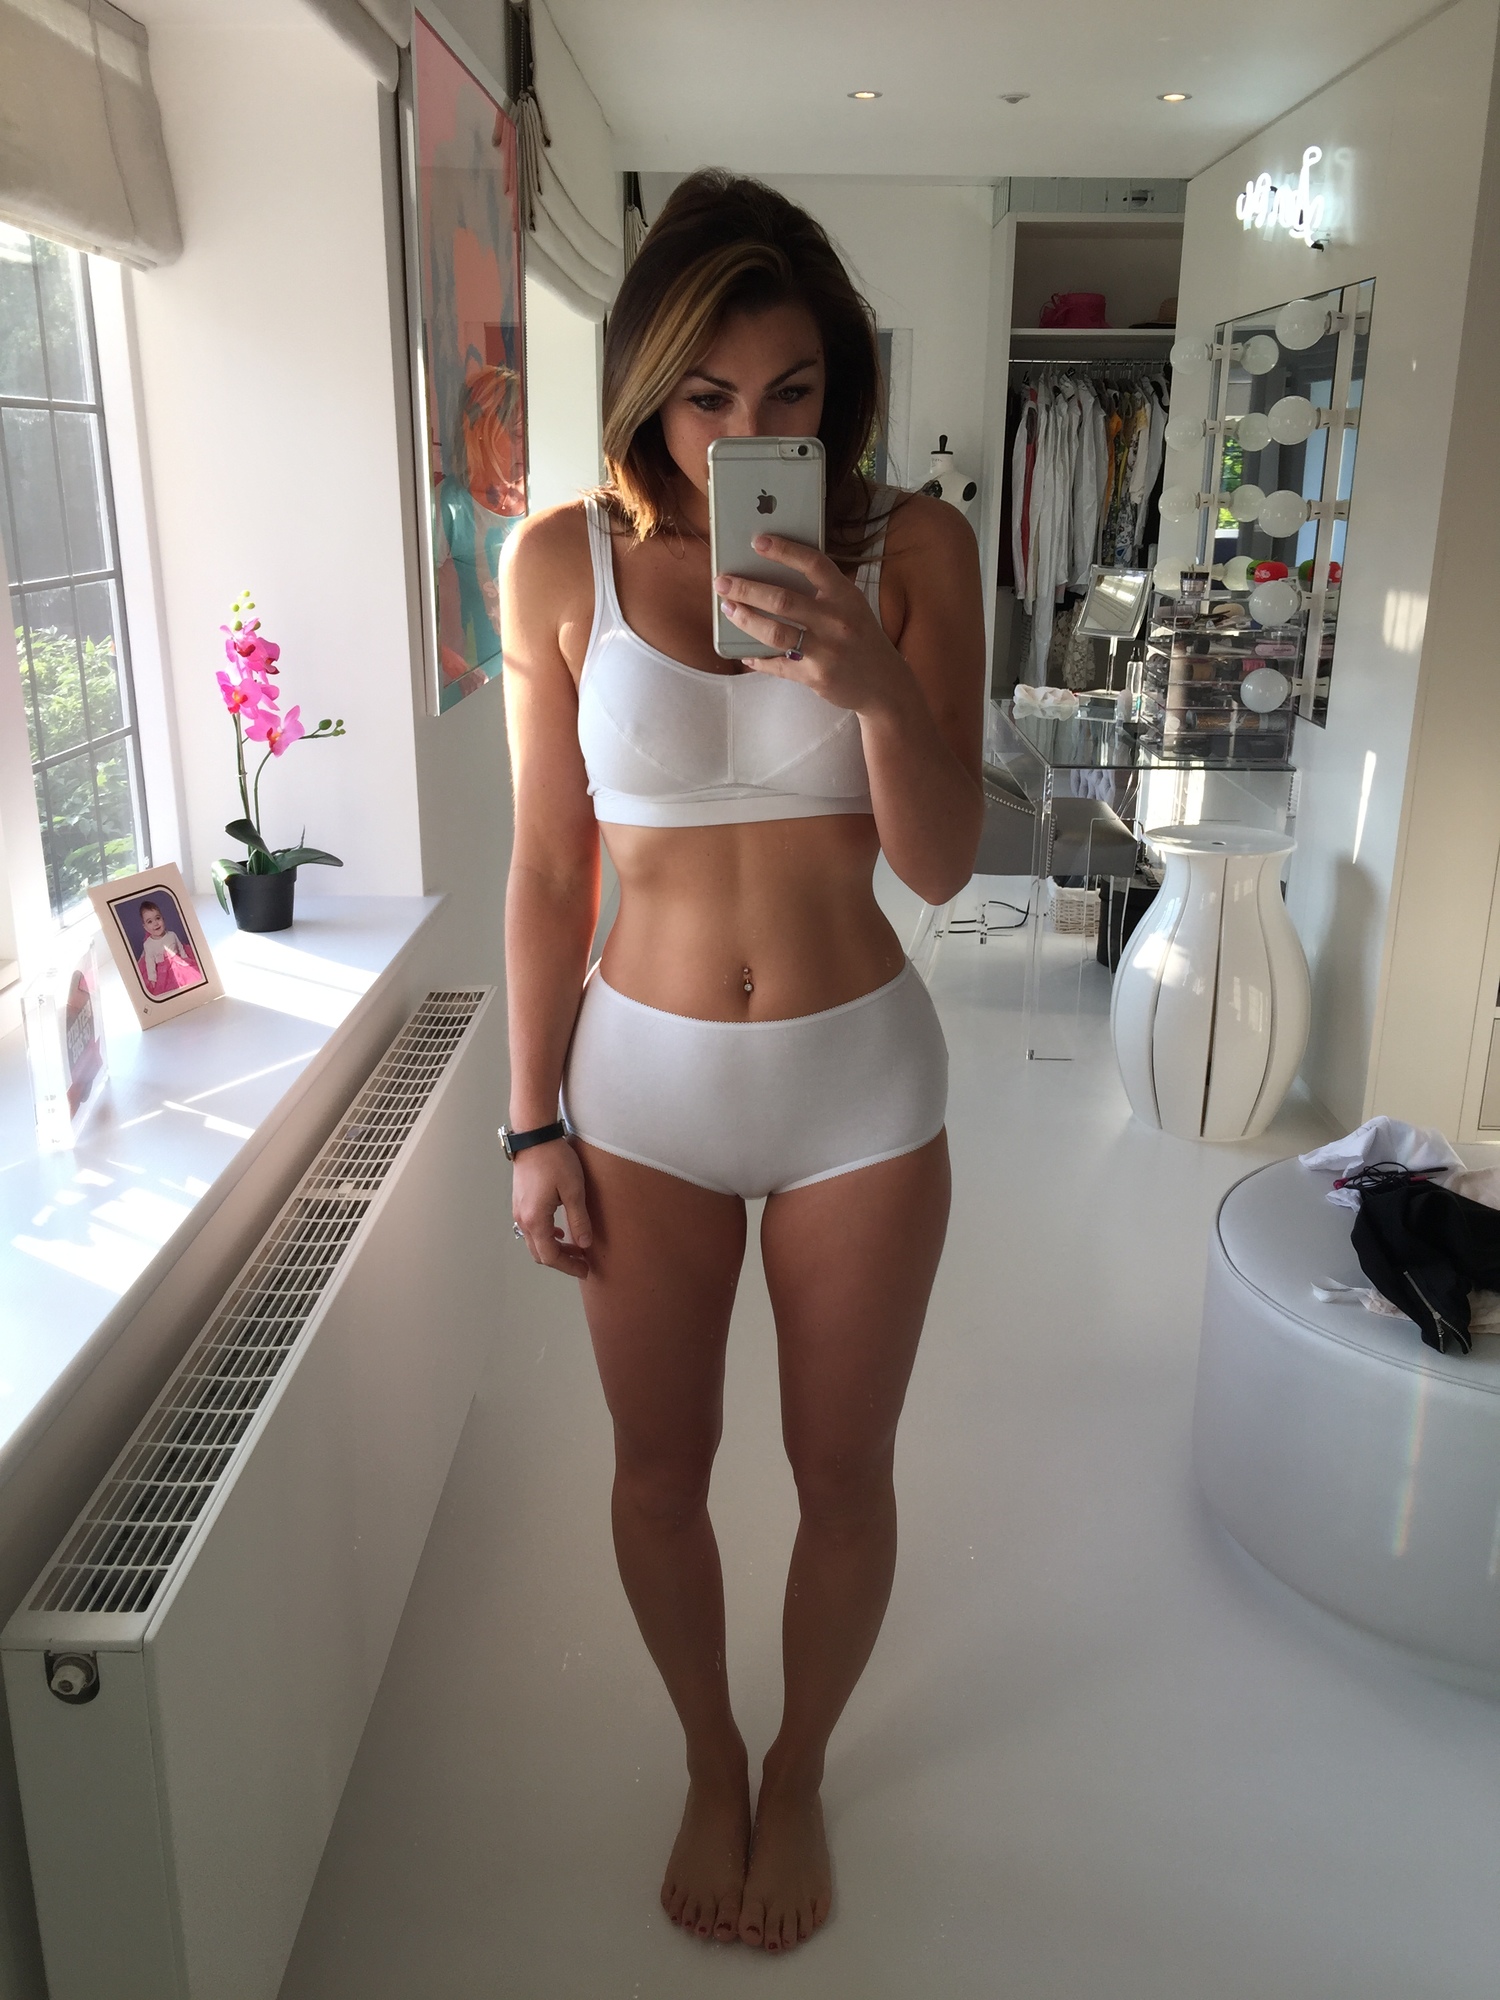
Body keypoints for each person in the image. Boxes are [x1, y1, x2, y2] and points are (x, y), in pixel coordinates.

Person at [501, 171, 984, 1955]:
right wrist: (529, 1125)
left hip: (863, 1088)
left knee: (844, 1475)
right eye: (704, 397)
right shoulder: (558, 562)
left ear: (836, 391)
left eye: (789, 393)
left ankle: (802, 1767)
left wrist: (873, 681)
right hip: (642, 1095)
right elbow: (546, 870)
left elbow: (944, 863)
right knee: (658, 1470)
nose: (743, 432)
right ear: (647, 392)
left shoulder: (913, 552)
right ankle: (711, 1754)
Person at [136, 898, 200, 994]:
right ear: (145, 927)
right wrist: (152, 978)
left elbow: (180, 947)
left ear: (163, 918)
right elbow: (150, 962)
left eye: (158, 918)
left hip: (178, 964)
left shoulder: (172, 935)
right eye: (150, 921)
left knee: (190, 980)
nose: (155, 923)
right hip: (163, 971)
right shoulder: (148, 944)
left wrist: (185, 958)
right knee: (168, 990)